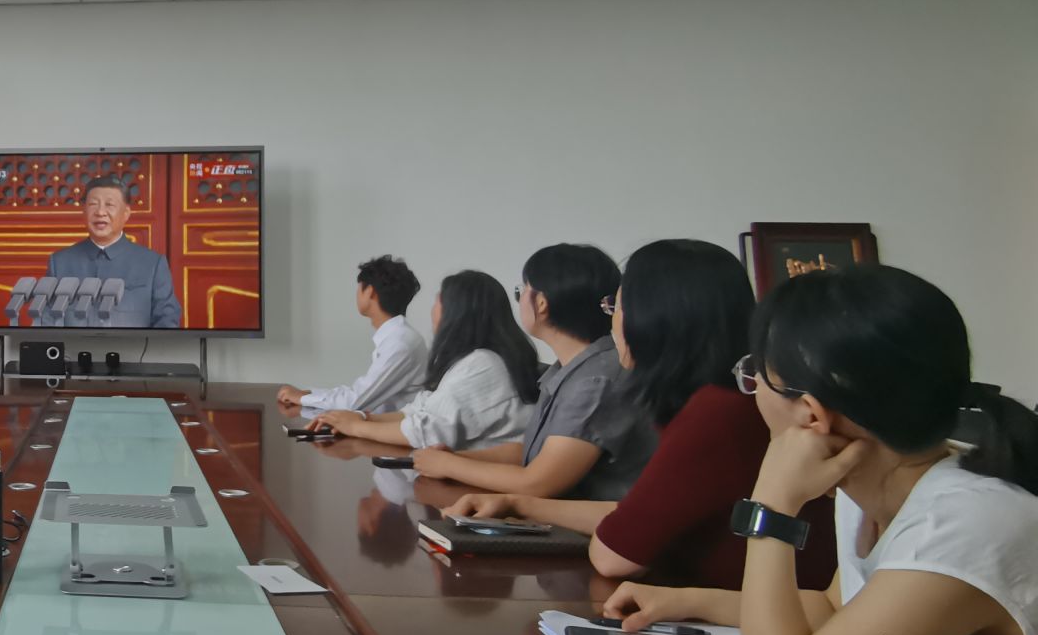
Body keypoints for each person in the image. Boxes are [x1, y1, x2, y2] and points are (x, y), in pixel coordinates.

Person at [608, 265, 1038, 635]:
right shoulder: (871, 487)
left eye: (755, 376)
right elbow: (834, 608)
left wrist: (772, 506)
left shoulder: (964, 523)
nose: (751, 391)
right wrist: (689, 602)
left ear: (811, 414)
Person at [452, 240, 836, 588]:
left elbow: (614, 556)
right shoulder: (722, 399)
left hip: (743, 617)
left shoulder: (715, 413)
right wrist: (520, 505)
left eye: (617, 307)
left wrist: (515, 498)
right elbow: (637, 513)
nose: (612, 322)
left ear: (655, 319)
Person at [413, 244, 654, 501]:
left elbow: (538, 483)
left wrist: (449, 465)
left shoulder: (595, 382)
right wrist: (454, 458)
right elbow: (531, 453)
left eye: (522, 291)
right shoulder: (574, 369)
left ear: (541, 303)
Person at [307, 269, 536, 452]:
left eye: (437, 301)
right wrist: (362, 418)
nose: (432, 310)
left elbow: (425, 432)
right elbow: (419, 410)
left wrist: (356, 426)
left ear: (455, 312)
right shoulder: (470, 360)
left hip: (479, 487)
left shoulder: (483, 364)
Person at [277, 255, 427, 416]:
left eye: (360, 288)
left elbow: (355, 401)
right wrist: (309, 394)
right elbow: (359, 393)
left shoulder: (400, 344)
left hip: (390, 429)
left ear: (370, 292)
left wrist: (302, 398)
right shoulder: (399, 337)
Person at [40, 176, 181, 328]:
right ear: (84, 211)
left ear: (126, 213)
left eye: (110, 205)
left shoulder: (152, 264)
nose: (100, 212)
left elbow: (167, 321)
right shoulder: (60, 262)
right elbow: (47, 320)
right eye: (93, 204)